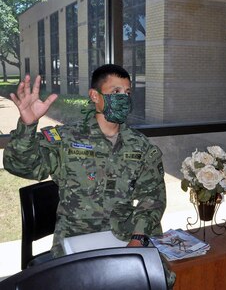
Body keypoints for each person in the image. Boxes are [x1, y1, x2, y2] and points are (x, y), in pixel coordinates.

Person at [3, 64, 167, 257]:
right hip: (76, 241)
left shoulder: (140, 145)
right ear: (95, 96)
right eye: (116, 91)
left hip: (124, 238)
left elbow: (153, 197)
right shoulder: (66, 139)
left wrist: (138, 239)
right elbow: (21, 165)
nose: (124, 98)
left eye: (127, 92)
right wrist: (27, 126)